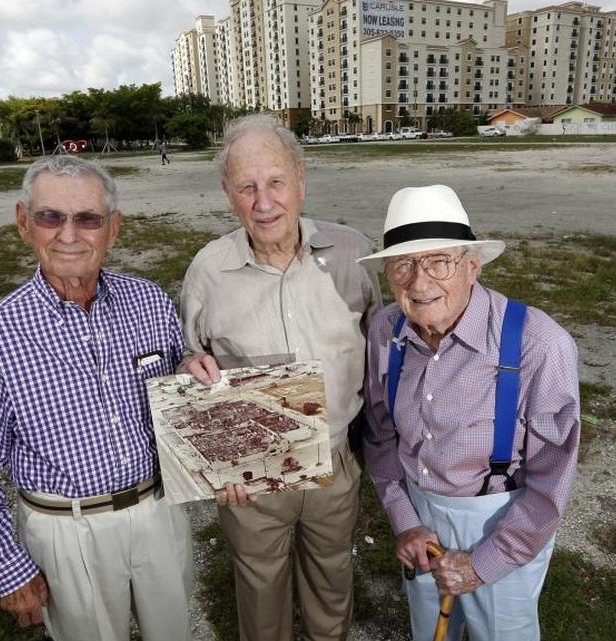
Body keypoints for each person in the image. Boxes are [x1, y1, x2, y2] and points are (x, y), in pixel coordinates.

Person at [0, 155, 193, 641]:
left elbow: (180, 397)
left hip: (158, 511)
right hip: (67, 531)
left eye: (88, 219)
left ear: (113, 229)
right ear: (23, 223)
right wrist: (8, 568)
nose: (68, 234)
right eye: (50, 216)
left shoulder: (150, 302)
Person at [178, 113, 381, 641]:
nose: (263, 202)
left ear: (301, 180)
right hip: (252, 475)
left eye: (275, 182)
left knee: (332, 583)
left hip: (335, 462)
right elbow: (191, 357)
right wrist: (189, 371)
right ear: (227, 192)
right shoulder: (208, 270)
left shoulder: (352, 253)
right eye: (246, 186)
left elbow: (379, 344)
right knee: (260, 591)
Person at [360, 185, 580, 641]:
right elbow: (380, 436)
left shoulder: (539, 344)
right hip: (422, 517)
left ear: (473, 265)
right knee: (430, 632)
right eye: (403, 264)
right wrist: (405, 521)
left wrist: (485, 563)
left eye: (439, 261)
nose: (419, 283)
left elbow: (551, 482)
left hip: (504, 522)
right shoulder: (386, 330)